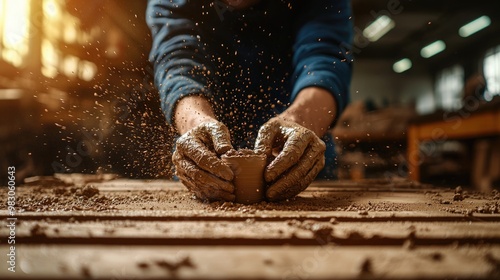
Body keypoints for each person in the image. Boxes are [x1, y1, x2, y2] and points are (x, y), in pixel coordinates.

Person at [146, 0, 353, 202]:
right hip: (205, 171)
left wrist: (300, 122)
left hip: (298, 160)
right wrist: (196, 123)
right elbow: (178, 63)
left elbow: (325, 59)